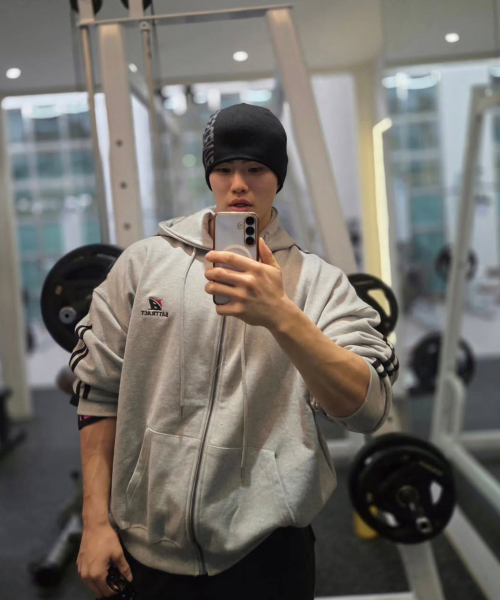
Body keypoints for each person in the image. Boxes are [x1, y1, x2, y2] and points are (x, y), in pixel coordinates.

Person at [70, 103, 399, 600]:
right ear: (209, 175)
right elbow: (98, 392)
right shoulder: (143, 264)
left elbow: (367, 410)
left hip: (267, 552)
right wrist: (95, 522)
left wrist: (282, 315)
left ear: (277, 178)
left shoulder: (320, 283)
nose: (238, 184)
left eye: (255, 169)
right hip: (145, 544)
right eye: (224, 169)